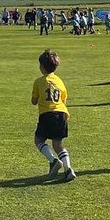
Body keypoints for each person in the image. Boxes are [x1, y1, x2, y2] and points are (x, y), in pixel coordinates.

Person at [31, 49, 76, 181]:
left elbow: (34, 101)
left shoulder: (39, 81)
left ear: (42, 67)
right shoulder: (60, 81)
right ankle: (68, 169)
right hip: (62, 115)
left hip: (47, 114)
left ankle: (53, 161)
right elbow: (64, 99)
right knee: (58, 144)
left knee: (38, 140)